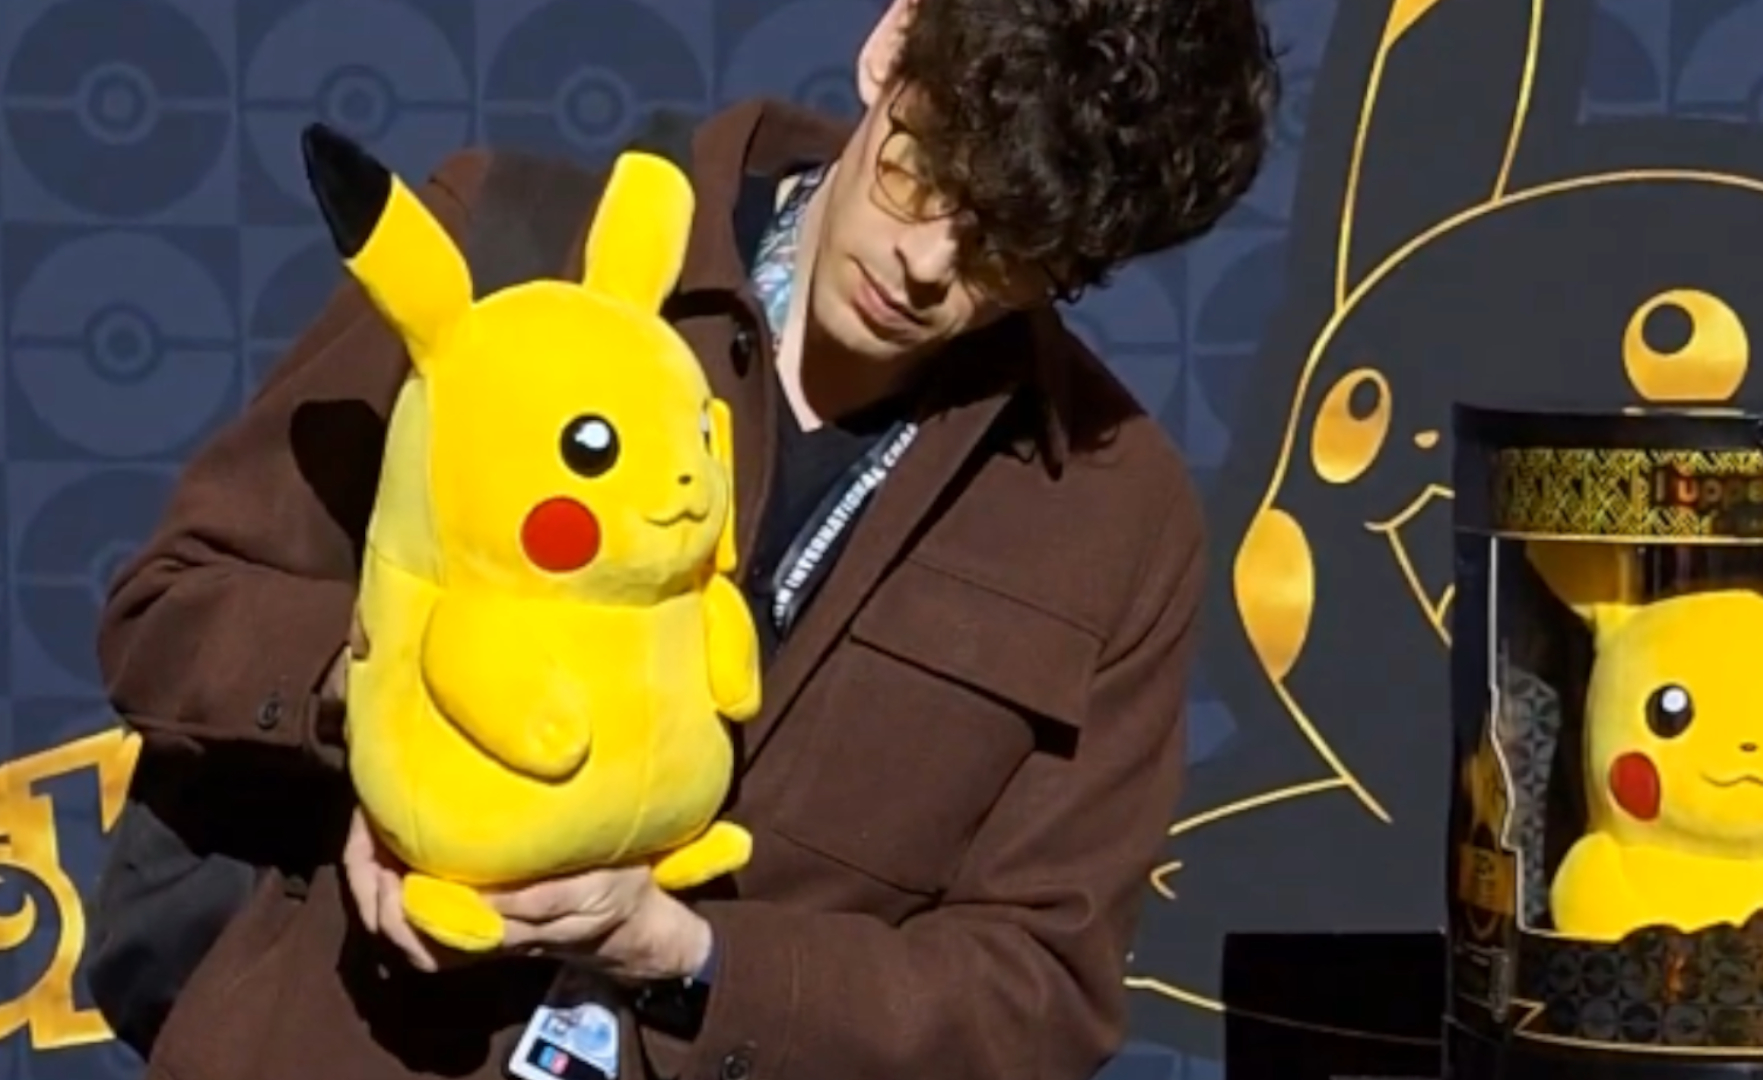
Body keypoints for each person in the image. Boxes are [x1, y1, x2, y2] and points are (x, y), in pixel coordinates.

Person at [94, 0, 1277, 1076]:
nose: (929, 265)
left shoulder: (1112, 514)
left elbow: (1037, 992)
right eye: (928, 172)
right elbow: (173, 611)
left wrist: (695, 956)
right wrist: (395, 718)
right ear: (893, 45)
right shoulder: (507, 252)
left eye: (1013, 250)